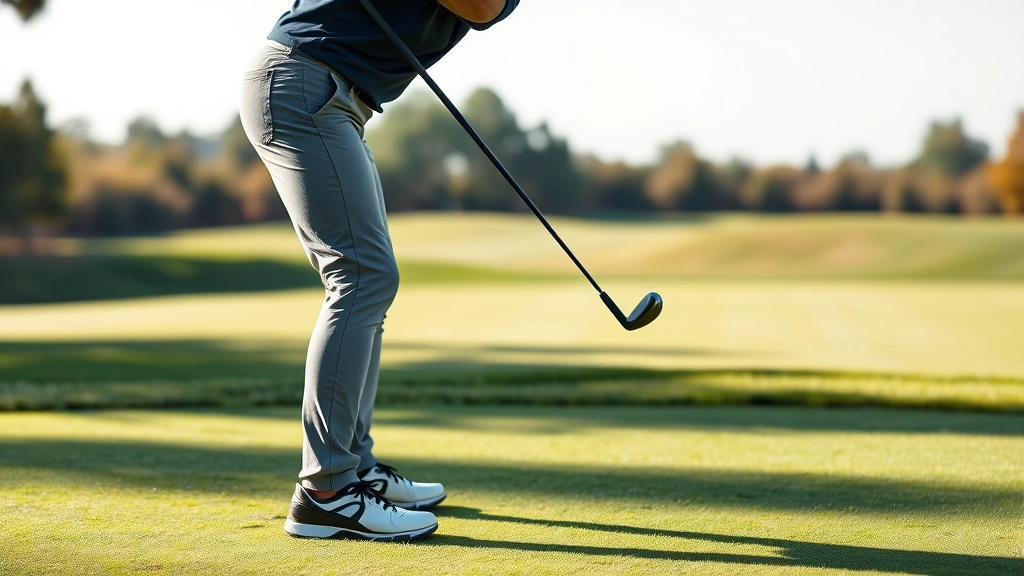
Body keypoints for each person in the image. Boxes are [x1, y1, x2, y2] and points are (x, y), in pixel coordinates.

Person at [239, 0, 519, 541]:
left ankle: (352, 467)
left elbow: (481, 6)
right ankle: (327, 490)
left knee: (369, 283)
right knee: (363, 277)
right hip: (304, 78)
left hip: (334, 96)